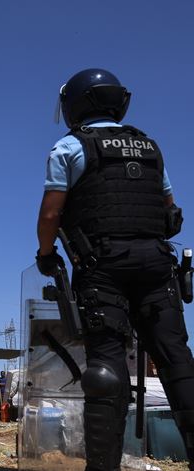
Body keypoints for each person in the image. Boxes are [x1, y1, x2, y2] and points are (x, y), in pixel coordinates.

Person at [36, 68, 194, 471]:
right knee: (178, 362)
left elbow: (52, 211)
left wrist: (46, 252)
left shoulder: (68, 147)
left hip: (102, 267)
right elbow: (170, 208)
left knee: (105, 368)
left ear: (76, 104)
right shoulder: (149, 147)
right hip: (158, 265)